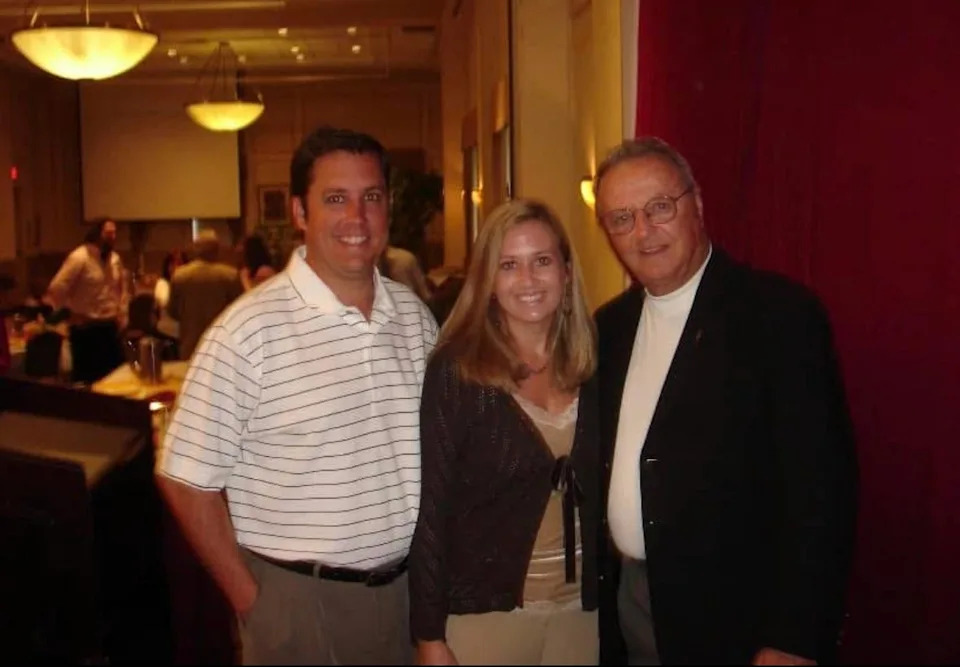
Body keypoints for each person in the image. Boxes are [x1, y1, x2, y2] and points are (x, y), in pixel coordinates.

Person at [156, 126, 438, 665]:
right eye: (335, 199)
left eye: (371, 198)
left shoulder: (414, 318)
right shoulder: (248, 331)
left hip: (407, 595)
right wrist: (254, 602)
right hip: (299, 604)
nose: (356, 218)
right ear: (300, 214)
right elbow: (184, 479)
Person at [591, 137, 858, 665]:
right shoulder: (608, 328)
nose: (643, 232)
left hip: (739, 621)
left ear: (698, 204)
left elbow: (822, 493)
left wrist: (794, 638)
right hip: (632, 608)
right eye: (621, 218)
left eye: (659, 208)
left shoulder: (779, 317)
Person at [410, 199, 599, 666]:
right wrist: (429, 637)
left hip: (583, 618)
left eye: (542, 262)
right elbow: (432, 510)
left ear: (567, 271)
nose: (529, 280)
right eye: (509, 265)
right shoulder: (458, 372)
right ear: (488, 282)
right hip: (486, 621)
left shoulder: (596, 363)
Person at [45, 217, 126, 383]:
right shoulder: (79, 258)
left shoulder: (114, 259)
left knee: (115, 377)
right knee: (90, 381)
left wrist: (121, 312)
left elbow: (119, 289)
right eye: (108, 233)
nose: (112, 237)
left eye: (114, 233)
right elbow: (57, 288)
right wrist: (69, 311)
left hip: (109, 326)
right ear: (97, 234)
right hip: (87, 329)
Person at [167, 230, 243, 360]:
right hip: (222, 344)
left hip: (190, 344)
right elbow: (240, 310)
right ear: (217, 250)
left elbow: (172, 311)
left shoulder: (180, 275)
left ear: (196, 250)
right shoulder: (230, 275)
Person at [154, 249, 187, 343]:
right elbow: (165, 301)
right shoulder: (162, 283)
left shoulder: (189, 284)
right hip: (167, 328)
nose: (176, 268)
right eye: (173, 264)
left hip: (185, 328)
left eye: (180, 263)